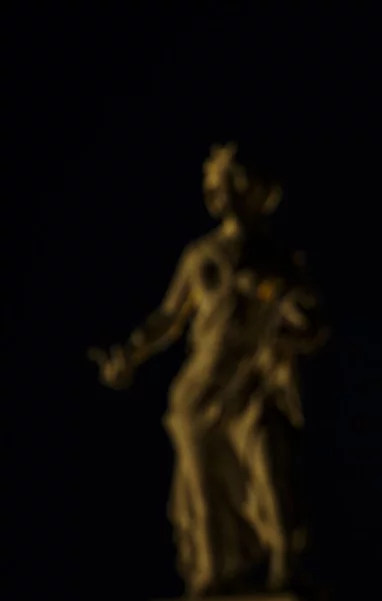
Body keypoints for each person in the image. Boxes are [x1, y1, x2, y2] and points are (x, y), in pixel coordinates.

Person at [89, 143, 329, 596]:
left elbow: (313, 322)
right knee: (203, 486)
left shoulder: (278, 261)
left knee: (268, 468)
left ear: (262, 191)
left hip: (255, 384)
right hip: (199, 389)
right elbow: (167, 318)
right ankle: (214, 574)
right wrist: (128, 354)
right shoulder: (202, 256)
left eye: (241, 181)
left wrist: (288, 311)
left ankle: (285, 563)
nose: (231, 192)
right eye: (223, 183)